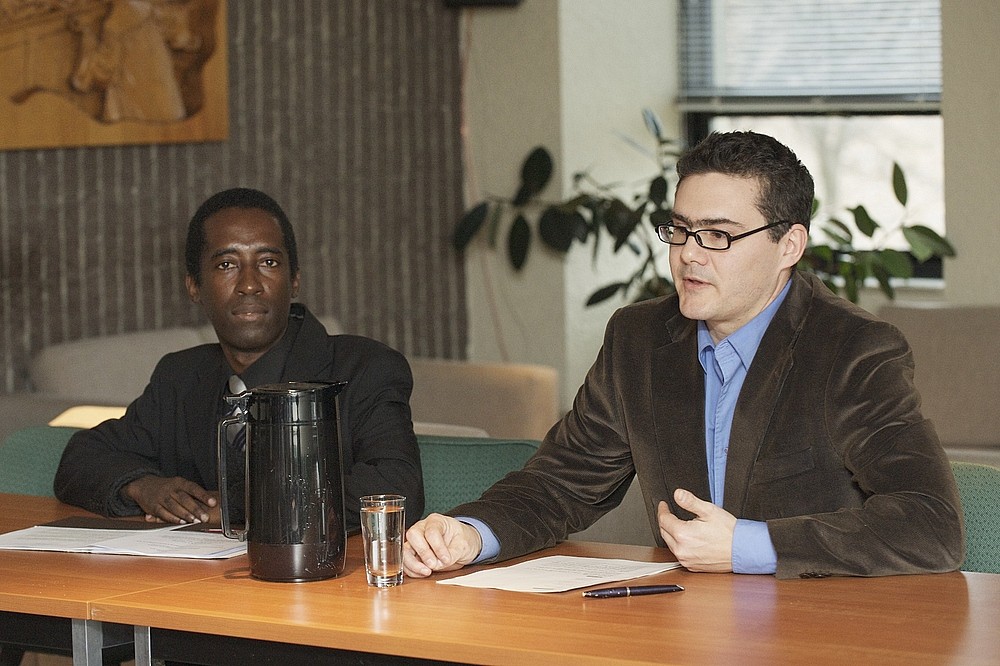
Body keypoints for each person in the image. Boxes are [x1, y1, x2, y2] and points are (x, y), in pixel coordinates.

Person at [403, 131, 964, 580]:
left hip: (819, 627)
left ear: (788, 245)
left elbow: (930, 523)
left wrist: (748, 545)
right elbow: (562, 484)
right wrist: (472, 533)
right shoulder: (639, 339)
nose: (689, 256)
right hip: (683, 624)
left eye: (718, 235)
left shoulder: (850, 349)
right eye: (680, 230)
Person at [54, 187, 424, 531]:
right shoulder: (180, 377)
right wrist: (142, 486)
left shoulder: (364, 368)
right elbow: (82, 457)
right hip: (198, 586)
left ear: (294, 280)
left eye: (268, 262)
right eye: (227, 265)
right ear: (194, 286)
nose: (250, 284)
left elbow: (395, 485)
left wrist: (240, 507)